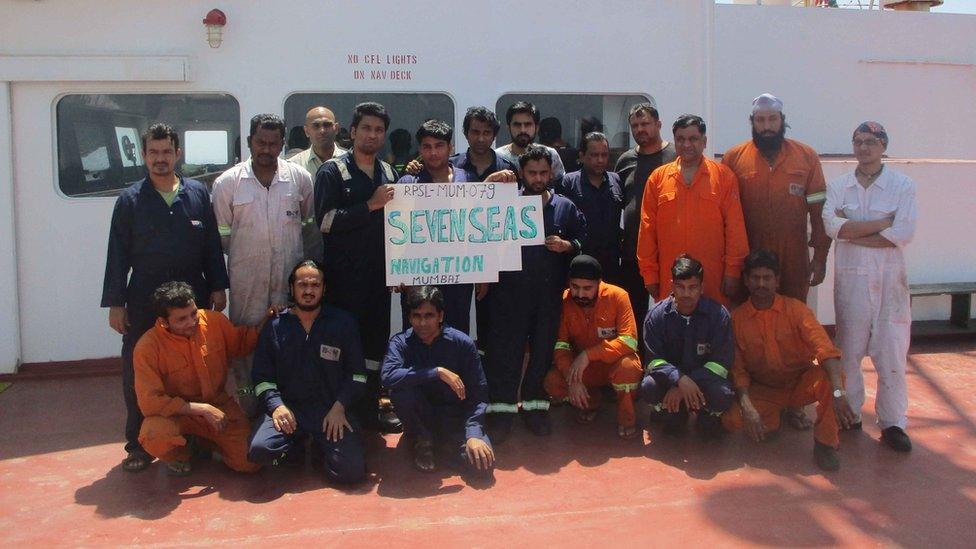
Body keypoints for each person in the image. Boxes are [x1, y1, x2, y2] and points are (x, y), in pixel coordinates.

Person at [102, 123, 228, 473]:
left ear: (178, 154)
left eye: (166, 152)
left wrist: (218, 286)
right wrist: (116, 304)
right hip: (144, 302)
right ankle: (138, 445)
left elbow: (212, 248)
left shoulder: (198, 195)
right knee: (137, 372)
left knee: (199, 369)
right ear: (143, 155)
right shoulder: (129, 201)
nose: (160, 159)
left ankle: (199, 438)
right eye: (153, 153)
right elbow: (117, 255)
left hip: (193, 299)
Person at [823, 121, 918, 452]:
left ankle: (893, 423)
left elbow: (902, 235)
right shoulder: (840, 187)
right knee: (848, 352)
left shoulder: (902, 186)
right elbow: (833, 227)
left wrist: (855, 230)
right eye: (858, 141)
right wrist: (882, 225)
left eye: (871, 141)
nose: (863, 147)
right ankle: (850, 415)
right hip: (851, 283)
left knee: (891, 352)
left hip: (891, 283)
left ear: (883, 146)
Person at [212, 114, 315, 414]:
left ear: (282, 144)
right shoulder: (227, 184)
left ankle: (288, 404)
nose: (266, 149)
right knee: (245, 343)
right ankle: (249, 406)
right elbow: (220, 240)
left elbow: (308, 228)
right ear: (249, 142)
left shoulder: (300, 179)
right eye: (260, 142)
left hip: (289, 280)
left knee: (292, 340)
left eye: (273, 143)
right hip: (247, 282)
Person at [484, 145, 586, 442]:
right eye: (532, 172)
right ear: (521, 173)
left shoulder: (564, 207)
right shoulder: (505, 204)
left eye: (544, 172)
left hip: (548, 297)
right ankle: (502, 413)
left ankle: (534, 409)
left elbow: (583, 238)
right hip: (509, 295)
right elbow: (482, 232)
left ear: (551, 172)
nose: (539, 178)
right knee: (506, 355)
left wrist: (568, 246)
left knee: (542, 354)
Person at [722, 250, 856, 471]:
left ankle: (825, 444)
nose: (761, 284)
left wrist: (839, 393)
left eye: (767, 278)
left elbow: (826, 351)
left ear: (777, 281)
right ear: (746, 281)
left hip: (799, 385)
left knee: (831, 379)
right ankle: (772, 418)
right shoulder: (737, 320)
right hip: (765, 389)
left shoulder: (797, 311)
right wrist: (747, 407)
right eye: (755, 278)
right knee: (732, 420)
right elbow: (738, 371)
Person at [314, 101, 401, 433]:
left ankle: (370, 410)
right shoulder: (332, 172)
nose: (372, 135)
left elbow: (398, 229)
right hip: (342, 282)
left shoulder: (390, 174)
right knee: (341, 347)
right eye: (366, 128)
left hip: (378, 280)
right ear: (352, 132)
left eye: (379, 130)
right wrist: (371, 204)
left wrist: (399, 269)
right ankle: (339, 410)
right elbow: (325, 221)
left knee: (375, 346)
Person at [248, 260, 367, 483]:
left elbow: (358, 375)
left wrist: (340, 407)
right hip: (290, 411)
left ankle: (323, 450)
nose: (309, 291)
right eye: (303, 285)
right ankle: (294, 448)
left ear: (324, 289)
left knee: (351, 472)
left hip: (330, 411)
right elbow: (262, 379)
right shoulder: (274, 327)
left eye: (315, 285)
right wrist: (276, 406)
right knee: (259, 451)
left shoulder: (343, 323)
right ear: (292, 288)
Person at [133, 281, 269, 476]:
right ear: (164, 322)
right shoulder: (147, 347)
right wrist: (202, 410)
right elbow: (150, 402)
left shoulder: (214, 322)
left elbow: (242, 342)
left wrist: (268, 320)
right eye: (181, 319)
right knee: (153, 435)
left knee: (250, 461)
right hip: (177, 413)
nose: (191, 322)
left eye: (193, 313)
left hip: (220, 407)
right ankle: (182, 453)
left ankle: (208, 443)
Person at [722, 93, 831, 302]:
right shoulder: (733, 158)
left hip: (793, 260)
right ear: (751, 122)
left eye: (772, 119)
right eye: (760, 120)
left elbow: (819, 212)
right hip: (749, 260)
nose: (767, 127)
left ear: (782, 119)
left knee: (793, 316)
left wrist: (820, 257)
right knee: (747, 319)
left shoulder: (806, 157)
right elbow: (725, 217)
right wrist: (730, 267)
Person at [382, 286, 494, 479]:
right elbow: (388, 376)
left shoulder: (462, 344)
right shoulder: (400, 343)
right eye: (416, 316)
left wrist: (474, 433)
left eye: (429, 316)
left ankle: (441, 446)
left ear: (441, 316)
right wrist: (436, 372)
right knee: (401, 390)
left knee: (481, 467)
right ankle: (423, 441)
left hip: (454, 420)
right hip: (420, 418)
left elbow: (478, 394)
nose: (422, 323)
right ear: (409, 318)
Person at [637, 114, 748, 308]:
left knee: (711, 331)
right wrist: (649, 275)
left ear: (704, 141)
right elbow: (647, 231)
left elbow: (735, 229)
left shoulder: (723, 177)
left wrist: (733, 272)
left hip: (712, 280)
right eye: (680, 139)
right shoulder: (657, 179)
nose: (686, 144)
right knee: (671, 329)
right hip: (671, 280)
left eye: (693, 139)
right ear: (674, 141)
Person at [544, 255, 642, 439]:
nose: (580, 294)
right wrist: (572, 378)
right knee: (552, 381)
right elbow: (560, 346)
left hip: (613, 365)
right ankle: (591, 401)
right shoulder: (564, 301)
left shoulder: (618, 296)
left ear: (599, 283)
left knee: (629, 368)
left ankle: (626, 417)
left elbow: (629, 341)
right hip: (583, 370)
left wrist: (589, 354)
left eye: (587, 288)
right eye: (575, 287)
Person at [640, 255, 734, 438]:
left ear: (702, 288)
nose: (686, 293)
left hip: (704, 383)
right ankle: (669, 411)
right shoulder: (656, 316)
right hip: (671, 382)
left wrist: (686, 383)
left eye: (692, 287)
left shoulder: (718, 315)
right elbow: (653, 361)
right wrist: (679, 380)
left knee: (723, 393)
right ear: (672, 286)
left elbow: (722, 363)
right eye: (680, 287)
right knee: (648, 386)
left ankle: (707, 415)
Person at [615, 103, 676, 344]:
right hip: (633, 253)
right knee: (635, 314)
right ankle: (636, 366)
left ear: (658, 125)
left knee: (670, 311)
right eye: (635, 125)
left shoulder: (675, 156)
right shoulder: (625, 160)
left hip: (668, 251)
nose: (640, 129)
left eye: (645, 124)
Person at [556, 132, 624, 283]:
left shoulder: (616, 180)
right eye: (594, 155)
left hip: (611, 264)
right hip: (579, 262)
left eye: (604, 155)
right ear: (582, 156)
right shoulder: (568, 182)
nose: (600, 160)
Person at [495, 101, 566, 180]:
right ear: (508, 128)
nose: (523, 130)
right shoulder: (498, 157)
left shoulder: (551, 154)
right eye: (517, 125)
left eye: (528, 124)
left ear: (537, 127)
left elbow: (560, 186)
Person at [451, 106, 518, 182]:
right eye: (475, 132)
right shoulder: (452, 165)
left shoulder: (507, 168)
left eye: (486, 133)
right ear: (466, 134)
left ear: (494, 136)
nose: (481, 139)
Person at [288, 106, 347, 174]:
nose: (322, 131)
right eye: (316, 126)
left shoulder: (351, 162)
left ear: (336, 129)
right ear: (306, 131)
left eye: (327, 125)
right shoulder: (294, 165)